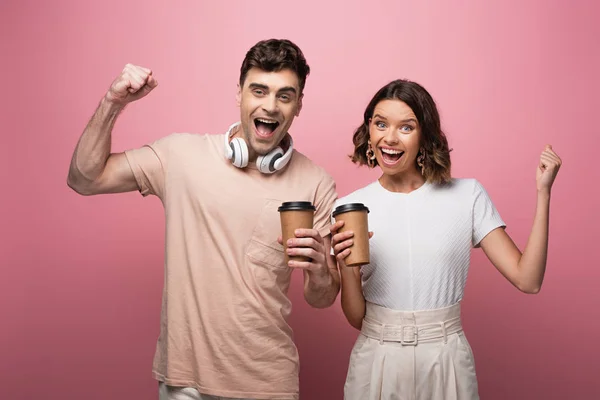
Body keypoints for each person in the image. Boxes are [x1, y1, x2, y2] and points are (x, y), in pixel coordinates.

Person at [67, 39, 340, 400]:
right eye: (259, 91)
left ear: (299, 104)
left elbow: (322, 298)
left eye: (284, 96)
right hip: (185, 384)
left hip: (268, 384)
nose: (270, 106)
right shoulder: (180, 155)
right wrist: (113, 102)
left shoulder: (316, 184)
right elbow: (84, 179)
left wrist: (322, 270)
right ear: (239, 94)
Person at [330, 79, 562, 399]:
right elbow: (357, 318)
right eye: (380, 124)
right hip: (377, 359)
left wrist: (543, 192)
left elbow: (528, 279)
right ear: (369, 130)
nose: (390, 138)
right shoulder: (349, 208)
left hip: (445, 357)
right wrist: (347, 269)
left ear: (425, 134)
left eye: (406, 127)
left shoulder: (467, 195)